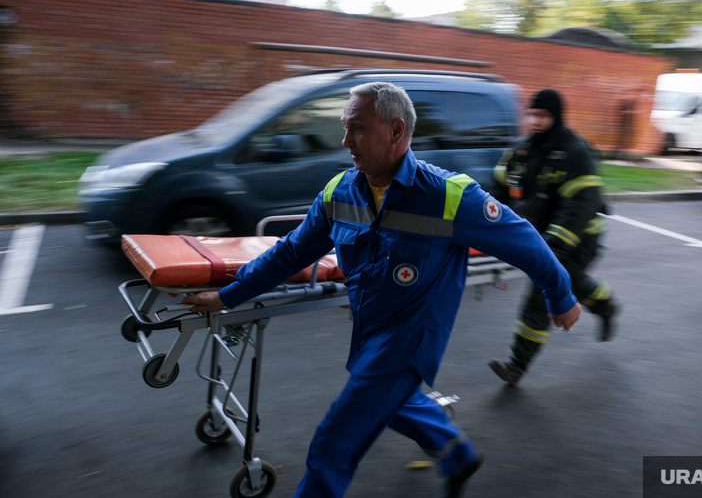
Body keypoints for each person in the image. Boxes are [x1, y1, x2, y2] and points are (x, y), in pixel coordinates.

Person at [181, 82, 581, 498]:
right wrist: (229, 295)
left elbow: (526, 242)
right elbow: (291, 252)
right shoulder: (340, 192)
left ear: (395, 131)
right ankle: (457, 454)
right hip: (371, 329)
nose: (345, 140)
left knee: (332, 445)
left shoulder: (447, 196)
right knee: (394, 403)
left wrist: (561, 296)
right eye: (345, 127)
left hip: (410, 340)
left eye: (357, 128)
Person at [488, 88, 618, 387]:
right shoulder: (521, 150)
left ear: (556, 117)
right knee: (567, 283)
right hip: (543, 239)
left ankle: (516, 366)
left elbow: (579, 207)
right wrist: (486, 219)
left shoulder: (575, 152)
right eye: (532, 114)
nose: (535, 120)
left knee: (542, 292)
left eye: (543, 115)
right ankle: (603, 303)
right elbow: (497, 189)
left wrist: (551, 247)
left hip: (578, 239)